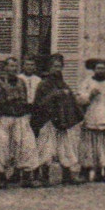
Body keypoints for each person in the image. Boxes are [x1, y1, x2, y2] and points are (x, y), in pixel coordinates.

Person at [0, 57, 39, 189]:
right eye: (10, 66)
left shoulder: (21, 82)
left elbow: (24, 100)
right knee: (1, 147)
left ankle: (27, 177)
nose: (13, 69)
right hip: (4, 118)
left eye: (15, 66)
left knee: (27, 145)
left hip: (20, 118)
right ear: (5, 68)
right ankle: (1, 177)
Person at [33, 54, 82, 186]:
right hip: (48, 121)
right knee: (46, 148)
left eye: (60, 66)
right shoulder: (43, 85)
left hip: (62, 121)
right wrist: (54, 95)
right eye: (55, 66)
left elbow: (71, 101)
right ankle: (44, 176)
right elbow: (39, 104)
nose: (57, 69)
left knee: (65, 148)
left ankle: (67, 175)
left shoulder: (64, 84)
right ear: (49, 68)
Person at [77, 57, 105, 182]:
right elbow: (79, 99)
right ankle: (85, 171)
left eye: (103, 68)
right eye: (98, 68)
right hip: (90, 116)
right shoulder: (87, 82)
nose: (100, 71)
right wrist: (90, 95)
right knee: (88, 146)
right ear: (94, 69)